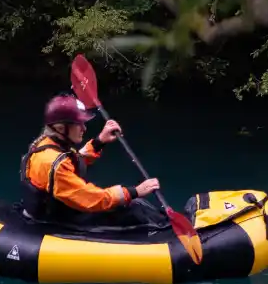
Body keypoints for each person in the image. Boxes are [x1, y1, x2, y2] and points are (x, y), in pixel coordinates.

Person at [19, 94, 165, 230]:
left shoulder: (46, 143)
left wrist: (99, 142)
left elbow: (75, 161)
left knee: (137, 205)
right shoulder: (53, 163)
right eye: (79, 124)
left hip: (56, 209)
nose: (84, 128)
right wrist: (135, 191)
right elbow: (92, 198)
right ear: (60, 128)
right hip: (61, 220)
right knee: (134, 209)